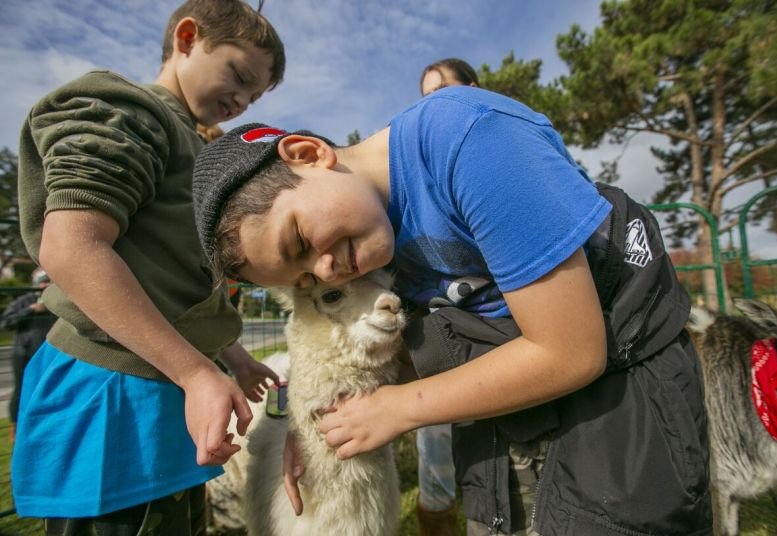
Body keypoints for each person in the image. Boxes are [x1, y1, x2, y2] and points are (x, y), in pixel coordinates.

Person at [191, 85, 712, 535]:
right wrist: (311, 431)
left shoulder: (467, 140)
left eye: (301, 239)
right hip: (502, 418)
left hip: (622, 412)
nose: (327, 271)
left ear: (307, 153)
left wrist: (398, 409)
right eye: (306, 280)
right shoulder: (370, 236)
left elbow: (571, 351)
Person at [12, 1, 285, 533]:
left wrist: (233, 358)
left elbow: (177, 280)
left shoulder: (198, 147)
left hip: (166, 396)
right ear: (187, 38)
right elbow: (71, 248)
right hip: (112, 400)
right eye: (239, 74)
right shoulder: (128, 111)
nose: (240, 100)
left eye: (253, 96)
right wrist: (196, 370)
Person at [410, 56, 482, 536]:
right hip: (439, 339)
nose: (430, 107)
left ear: (473, 89)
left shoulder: (491, 152)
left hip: (493, 337)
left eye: (441, 92)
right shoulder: (422, 173)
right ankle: (437, 519)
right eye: (424, 98)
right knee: (434, 443)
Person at [0, 268, 56, 442]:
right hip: (23, 353)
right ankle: (15, 427)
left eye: (49, 281)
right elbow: (5, 323)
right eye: (43, 281)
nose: (45, 285)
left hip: (48, 354)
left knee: (48, 389)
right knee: (20, 390)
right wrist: (31, 310)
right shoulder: (24, 300)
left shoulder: (56, 304)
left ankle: (44, 426)